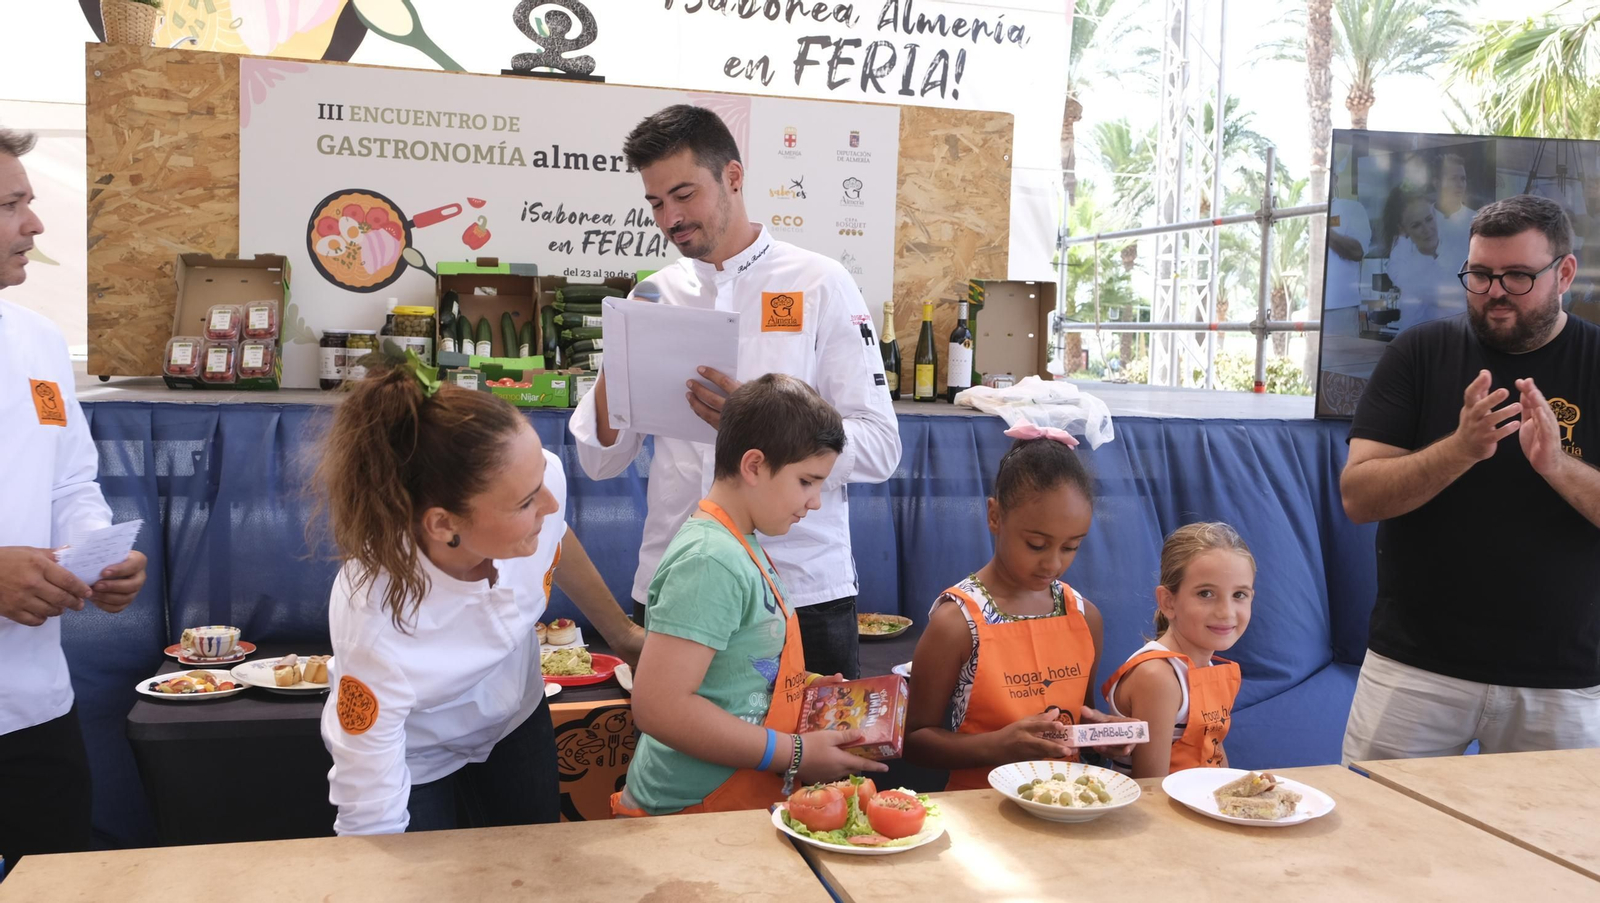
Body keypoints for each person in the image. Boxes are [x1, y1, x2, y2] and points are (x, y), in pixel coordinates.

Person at [570, 105, 901, 681]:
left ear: (734, 177)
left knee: (811, 762)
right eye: (654, 203)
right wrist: (617, 360)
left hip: (799, 588)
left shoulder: (818, 283)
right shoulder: (653, 296)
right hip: (677, 585)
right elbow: (600, 459)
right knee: (678, 759)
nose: (669, 218)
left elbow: (879, 447)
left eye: (683, 194)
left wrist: (766, 423)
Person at [313, 358, 644, 835]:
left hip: (517, 720)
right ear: (444, 523)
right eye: (526, 502)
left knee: (533, 862)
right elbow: (370, 816)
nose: (548, 504)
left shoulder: (538, 479)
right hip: (417, 755)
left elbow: (555, 534)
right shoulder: (374, 620)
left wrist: (624, 633)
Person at [1342, 194, 1600, 762]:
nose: (1494, 291)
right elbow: (1358, 497)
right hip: (1413, 667)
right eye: (1480, 275)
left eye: (1516, 276)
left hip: (1567, 680)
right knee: (1379, 842)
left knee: (1548, 850)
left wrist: (1557, 466)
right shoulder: (1418, 352)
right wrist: (1459, 450)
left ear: (1565, 273)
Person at [616, 374, 887, 816]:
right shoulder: (710, 559)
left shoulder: (743, 542)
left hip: (732, 804)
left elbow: (738, 670)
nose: (815, 501)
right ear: (755, 465)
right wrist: (794, 753)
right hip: (686, 814)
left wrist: (806, 689)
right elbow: (658, 707)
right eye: (807, 481)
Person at [0, 127, 148, 867]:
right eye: (10, 205)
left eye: (28, 200)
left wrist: (97, 552)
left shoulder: (38, 342)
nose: (35, 224)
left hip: (35, 709)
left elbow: (69, 478)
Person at [902, 421, 1134, 790]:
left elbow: (1076, 719)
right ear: (995, 516)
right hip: (982, 813)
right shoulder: (957, 622)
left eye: (1071, 547)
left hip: (1066, 805)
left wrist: (1101, 736)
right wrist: (997, 745)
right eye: (1037, 545)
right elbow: (913, 741)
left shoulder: (1084, 617)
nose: (1053, 564)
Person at [1101, 523, 1255, 778]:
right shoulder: (1159, 677)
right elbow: (1151, 788)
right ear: (1168, 602)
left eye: (1239, 594)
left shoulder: (1205, 667)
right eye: (1206, 593)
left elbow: (1213, 751)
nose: (1226, 612)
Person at [1383, 191, 1468, 328]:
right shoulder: (1404, 267)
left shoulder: (1458, 252)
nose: (1427, 229)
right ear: (1403, 230)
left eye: (1429, 219)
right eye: (1416, 225)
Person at [1323, 156, 1374, 312]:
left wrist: (1325, 230)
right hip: (1313, 305)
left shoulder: (1352, 208)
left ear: (1335, 180)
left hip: (1341, 307)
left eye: (1327, 176)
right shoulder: (1305, 212)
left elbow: (1357, 252)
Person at [1433, 153, 1477, 252]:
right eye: (1453, 179)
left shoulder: (1476, 221)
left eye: (1463, 179)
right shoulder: (1420, 221)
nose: (1460, 185)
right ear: (1437, 183)